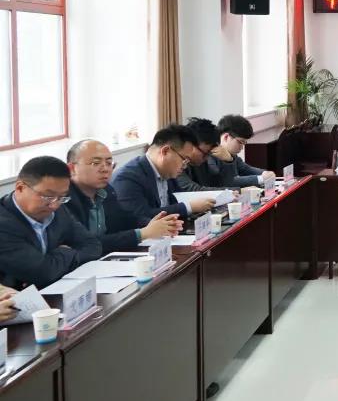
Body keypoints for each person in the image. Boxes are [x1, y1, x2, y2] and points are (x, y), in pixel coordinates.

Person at [0, 156, 102, 289]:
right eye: (47, 196)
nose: (54, 205)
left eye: (62, 197)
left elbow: (93, 246)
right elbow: (42, 273)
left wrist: (53, 260)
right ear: (20, 188)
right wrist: (65, 252)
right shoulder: (3, 224)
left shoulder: (58, 210)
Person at [65, 139, 183, 252]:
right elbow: (86, 243)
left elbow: (124, 219)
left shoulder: (106, 190)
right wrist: (143, 233)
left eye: (109, 163)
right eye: (95, 163)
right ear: (72, 168)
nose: (105, 169)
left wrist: (155, 224)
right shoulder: (64, 199)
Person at [112, 124, 216, 225]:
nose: (184, 166)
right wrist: (188, 207)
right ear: (165, 151)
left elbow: (176, 201)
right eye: (184, 159)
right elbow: (140, 217)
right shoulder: (127, 178)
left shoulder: (167, 172)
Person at [204, 114, 275, 188]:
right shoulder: (209, 155)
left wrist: (265, 173)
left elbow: (245, 169)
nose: (242, 148)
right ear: (226, 137)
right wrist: (260, 178)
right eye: (240, 142)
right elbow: (225, 182)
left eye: (244, 143)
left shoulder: (232, 154)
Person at [176, 117, 224, 192]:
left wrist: (229, 161)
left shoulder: (200, 161)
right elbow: (192, 189)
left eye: (209, 154)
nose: (206, 158)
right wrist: (234, 191)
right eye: (205, 153)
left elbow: (218, 183)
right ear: (190, 144)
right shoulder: (175, 160)